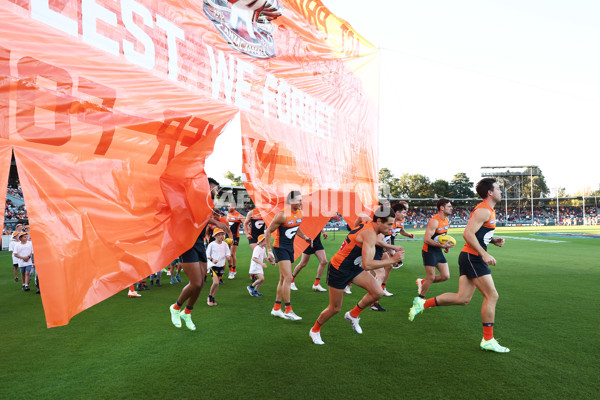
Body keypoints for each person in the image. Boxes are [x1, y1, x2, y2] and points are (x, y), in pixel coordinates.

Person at [408, 178, 509, 353]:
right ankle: (488, 339)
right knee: (492, 295)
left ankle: (422, 305)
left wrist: (492, 241)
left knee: (463, 298)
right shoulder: (484, 211)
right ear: (490, 193)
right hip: (473, 257)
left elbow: (477, 234)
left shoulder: (488, 211)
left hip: (469, 257)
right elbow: (468, 234)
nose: (501, 192)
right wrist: (484, 253)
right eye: (498, 189)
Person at [309, 206, 404, 345]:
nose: (391, 228)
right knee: (334, 308)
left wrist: (391, 247)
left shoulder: (368, 223)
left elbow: (361, 216)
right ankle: (315, 330)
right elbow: (368, 265)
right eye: (389, 224)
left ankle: (352, 315)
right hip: (339, 269)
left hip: (352, 267)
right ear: (378, 221)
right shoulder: (370, 233)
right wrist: (392, 260)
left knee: (377, 292)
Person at [169, 177, 229, 331]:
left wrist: (214, 214)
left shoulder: (208, 204)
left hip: (199, 243)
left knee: (200, 283)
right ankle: (176, 308)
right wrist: (215, 222)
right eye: (213, 189)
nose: (215, 192)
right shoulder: (193, 199)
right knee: (195, 282)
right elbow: (196, 216)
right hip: (187, 243)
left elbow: (205, 216)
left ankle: (187, 312)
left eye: (215, 190)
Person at [264, 190, 312, 321]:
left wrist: (305, 237)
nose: (301, 202)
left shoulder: (300, 213)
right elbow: (268, 231)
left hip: (290, 249)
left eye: (302, 200)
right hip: (280, 248)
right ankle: (288, 310)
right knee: (288, 277)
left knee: (283, 279)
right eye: (299, 200)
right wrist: (268, 250)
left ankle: (276, 308)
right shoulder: (282, 215)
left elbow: (296, 228)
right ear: (291, 201)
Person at [416, 198, 454, 297]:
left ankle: (423, 282)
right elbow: (426, 239)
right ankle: (420, 300)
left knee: (445, 276)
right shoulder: (434, 221)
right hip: (429, 251)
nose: (451, 208)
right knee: (431, 277)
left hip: (438, 251)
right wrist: (441, 245)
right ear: (442, 208)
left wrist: (446, 245)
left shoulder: (446, 219)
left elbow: (442, 236)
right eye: (449, 206)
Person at [206, 228, 232, 306]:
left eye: (222, 235)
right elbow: (207, 255)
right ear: (215, 236)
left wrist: (228, 256)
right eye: (219, 235)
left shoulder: (225, 244)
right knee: (216, 282)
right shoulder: (211, 244)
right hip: (213, 266)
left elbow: (228, 252)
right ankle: (210, 296)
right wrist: (212, 259)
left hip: (221, 266)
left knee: (217, 284)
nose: (221, 236)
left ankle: (213, 297)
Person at [226, 203, 244, 279]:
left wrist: (247, 230)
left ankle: (233, 270)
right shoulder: (228, 215)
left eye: (230, 206)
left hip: (235, 236)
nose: (228, 207)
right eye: (228, 206)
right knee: (227, 254)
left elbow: (246, 223)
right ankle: (230, 270)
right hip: (227, 236)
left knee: (232, 254)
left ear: (234, 207)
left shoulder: (239, 215)